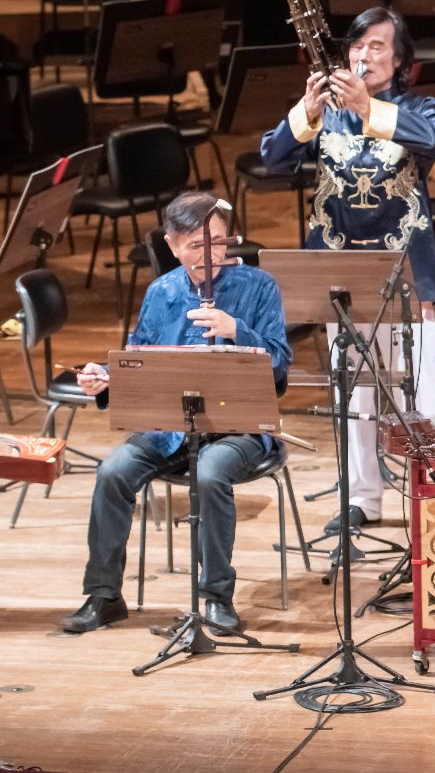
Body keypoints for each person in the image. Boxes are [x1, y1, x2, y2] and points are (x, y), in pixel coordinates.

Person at [62, 192, 292, 635]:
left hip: (238, 429)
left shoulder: (259, 286)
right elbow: (139, 359)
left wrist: (236, 329)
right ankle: (104, 596)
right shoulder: (161, 291)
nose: (210, 255)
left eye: (218, 242)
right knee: (112, 472)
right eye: (196, 246)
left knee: (210, 473)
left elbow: (280, 364)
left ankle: (216, 597)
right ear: (171, 245)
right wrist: (106, 378)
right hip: (169, 428)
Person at [259, 6, 435, 530]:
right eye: (357, 46)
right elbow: (272, 159)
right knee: (353, 391)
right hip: (339, 269)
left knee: (418, 392)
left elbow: (431, 140)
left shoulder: (421, 108)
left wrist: (367, 106)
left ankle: (427, 497)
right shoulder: (325, 113)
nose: (364, 56)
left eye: (377, 47)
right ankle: (362, 499)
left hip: (406, 271)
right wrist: (306, 110)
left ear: (400, 59)